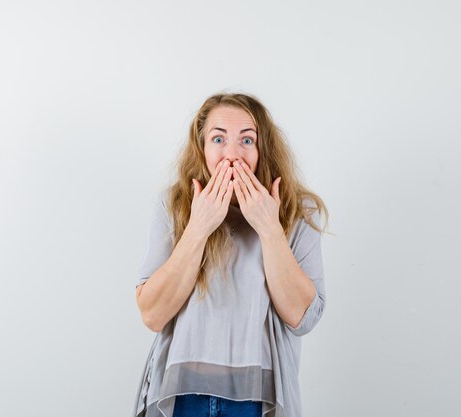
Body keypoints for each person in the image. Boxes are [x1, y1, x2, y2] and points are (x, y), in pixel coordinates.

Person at [132, 92, 330, 417]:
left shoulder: (299, 212)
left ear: (263, 148)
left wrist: (268, 227)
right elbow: (152, 314)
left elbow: (302, 317)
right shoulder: (174, 206)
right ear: (202, 148)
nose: (232, 154)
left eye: (247, 140)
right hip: (183, 394)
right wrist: (198, 227)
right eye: (219, 138)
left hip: (258, 399)